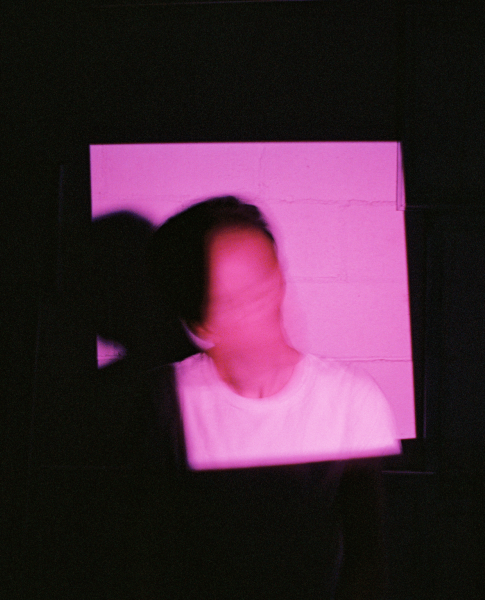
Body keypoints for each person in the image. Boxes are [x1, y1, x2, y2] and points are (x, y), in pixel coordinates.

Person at [139, 196, 400, 599]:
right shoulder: (163, 402)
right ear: (200, 321)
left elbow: (369, 558)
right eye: (237, 301)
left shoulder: (351, 400)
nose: (264, 309)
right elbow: (148, 554)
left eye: (265, 283)